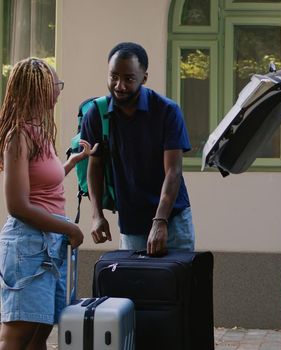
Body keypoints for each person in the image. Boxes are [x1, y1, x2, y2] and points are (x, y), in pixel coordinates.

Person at [0, 57, 92, 349]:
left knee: (40, 329)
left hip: (47, 243)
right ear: (39, 89)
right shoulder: (19, 136)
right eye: (56, 84)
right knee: (19, 332)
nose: (59, 90)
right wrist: (70, 229)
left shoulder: (40, 131)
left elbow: (42, 184)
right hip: (28, 245)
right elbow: (18, 205)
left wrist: (70, 163)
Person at [83, 42, 195, 256]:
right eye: (113, 77)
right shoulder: (97, 114)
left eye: (128, 79)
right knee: (135, 288)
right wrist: (97, 215)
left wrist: (160, 221)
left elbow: (173, 171)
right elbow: (95, 165)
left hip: (173, 219)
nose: (119, 85)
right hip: (132, 222)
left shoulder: (167, 111)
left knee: (176, 287)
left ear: (144, 78)